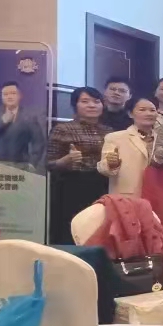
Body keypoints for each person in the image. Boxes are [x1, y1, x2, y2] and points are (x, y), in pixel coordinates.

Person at [46, 87, 111, 245]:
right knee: (71, 231)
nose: (92, 105)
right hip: (72, 187)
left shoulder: (109, 131)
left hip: (102, 185)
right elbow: (48, 163)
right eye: (85, 101)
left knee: (97, 229)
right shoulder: (63, 129)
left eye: (96, 101)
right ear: (75, 105)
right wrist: (66, 160)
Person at [98, 96, 158, 196]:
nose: (148, 113)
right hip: (127, 195)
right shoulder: (115, 137)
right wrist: (112, 164)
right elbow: (103, 169)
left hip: (156, 195)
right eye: (142, 110)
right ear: (130, 113)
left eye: (152, 110)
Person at [0, 81, 45, 171]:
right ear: (1, 97)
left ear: (20, 95)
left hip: (20, 166)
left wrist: (32, 163)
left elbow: (38, 142)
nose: (9, 97)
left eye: (13, 93)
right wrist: (2, 121)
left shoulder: (29, 117)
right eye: (5, 94)